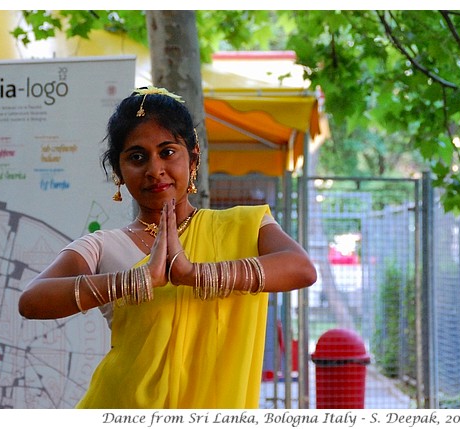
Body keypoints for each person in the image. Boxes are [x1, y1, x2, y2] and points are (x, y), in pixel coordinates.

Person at [18, 86, 317, 409]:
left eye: (168, 152)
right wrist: (134, 281)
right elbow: (31, 302)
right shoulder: (102, 245)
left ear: (193, 158)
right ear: (119, 173)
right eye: (136, 157)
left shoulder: (242, 226)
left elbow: (301, 269)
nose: (154, 169)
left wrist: (194, 273)